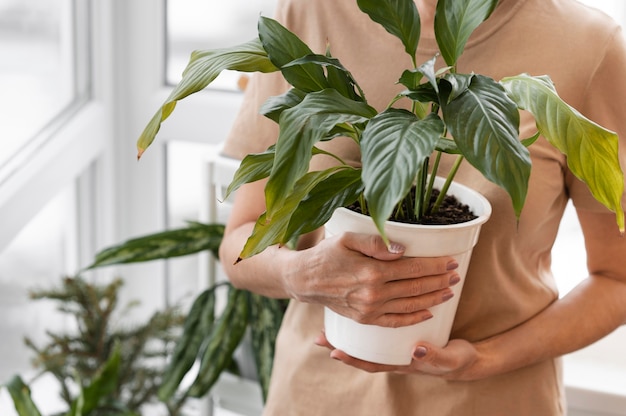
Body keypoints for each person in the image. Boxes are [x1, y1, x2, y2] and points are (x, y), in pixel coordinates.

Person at [218, 0, 626, 414]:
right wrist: (301, 273)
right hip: (318, 394)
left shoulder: (588, 45)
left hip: (490, 400)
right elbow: (241, 246)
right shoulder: (310, 12)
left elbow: (618, 278)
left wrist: (484, 359)